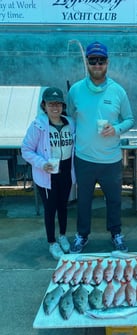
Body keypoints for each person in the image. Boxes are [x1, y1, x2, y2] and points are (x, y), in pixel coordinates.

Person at [67, 41, 134, 254]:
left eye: (101, 60)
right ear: (87, 62)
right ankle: (82, 236)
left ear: (108, 63)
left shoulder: (118, 91)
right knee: (84, 201)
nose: (97, 64)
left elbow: (130, 119)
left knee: (114, 201)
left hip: (110, 160)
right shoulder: (76, 90)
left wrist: (115, 129)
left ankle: (116, 234)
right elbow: (70, 116)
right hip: (84, 158)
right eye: (93, 60)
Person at [21, 87, 75, 260]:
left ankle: (63, 236)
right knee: (50, 209)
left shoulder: (70, 122)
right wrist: (42, 164)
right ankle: (52, 243)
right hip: (47, 174)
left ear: (62, 106)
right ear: (44, 105)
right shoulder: (38, 125)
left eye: (58, 104)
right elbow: (26, 150)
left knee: (63, 206)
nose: (55, 108)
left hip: (66, 171)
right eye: (51, 104)